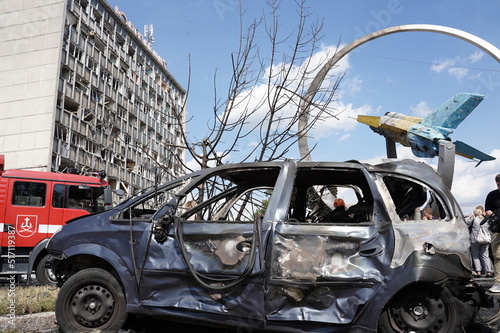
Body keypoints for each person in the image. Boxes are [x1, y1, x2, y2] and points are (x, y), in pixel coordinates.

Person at [466, 208, 493, 278]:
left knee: (475, 256)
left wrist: (469, 217)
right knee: (485, 256)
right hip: (485, 239)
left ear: (475, 213)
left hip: (475, 240)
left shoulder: (473, 219)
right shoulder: (486, 220)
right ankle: (488, 272)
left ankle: (478, 272)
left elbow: (465, 223)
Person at [485, 174, 500, 292]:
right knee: (497, 256)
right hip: (497, 230)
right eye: (498, 185)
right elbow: (487, 209)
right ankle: (498, 282)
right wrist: (491, 214)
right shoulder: (492, 195)